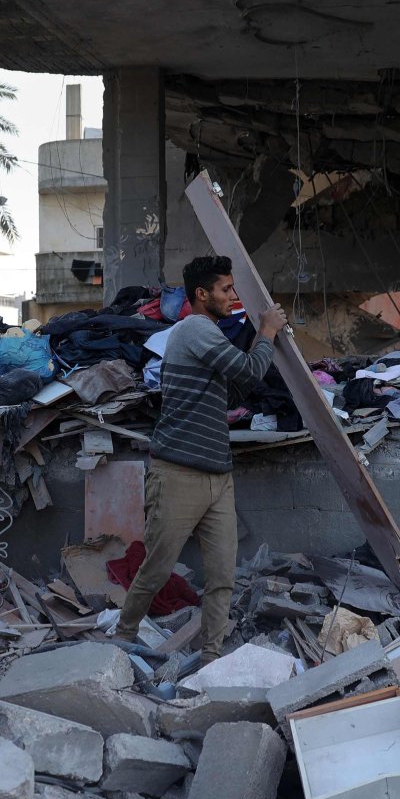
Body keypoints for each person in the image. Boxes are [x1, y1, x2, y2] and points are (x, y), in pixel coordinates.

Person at [115, 256, 287, 663]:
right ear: (201, 294)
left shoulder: (207, 336)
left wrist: (253, 342)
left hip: (217, 476)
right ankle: (121, 637)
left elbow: (228, 395)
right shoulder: (194, 329)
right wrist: (266, 332)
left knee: (222, 576)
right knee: (157, 569)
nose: (232, 296)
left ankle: (211, 657)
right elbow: (248, 373)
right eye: (225, 289)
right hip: (179, 475)